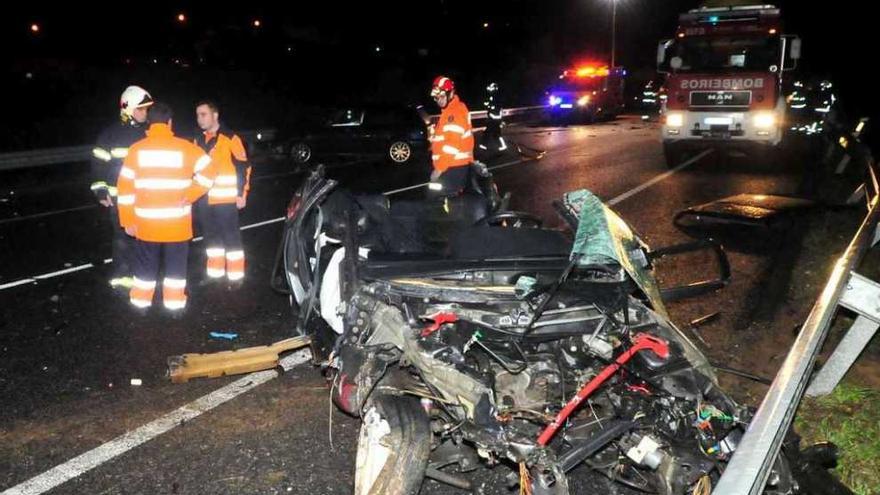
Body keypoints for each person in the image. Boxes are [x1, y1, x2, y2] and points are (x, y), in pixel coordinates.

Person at [115, 102, 216, 315]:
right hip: (176, 225)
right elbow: (210, 172)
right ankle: (175, 307)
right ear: (170, 122)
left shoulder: (136, 150)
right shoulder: (186, 148)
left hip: (146, 224)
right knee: (176, 267)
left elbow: (124, 189)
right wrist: (189, 195)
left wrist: (127, 221)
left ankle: (141, 306)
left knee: (145, 266)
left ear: (149, 123)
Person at [90, 85, 153, 290]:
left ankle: (143, 275)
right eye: (141, 109)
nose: (145, 113)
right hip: (119, 199)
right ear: (128, 108)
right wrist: (100, 190)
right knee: (122, 239)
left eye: (146, 109)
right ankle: (122, 278)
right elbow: (98, 164)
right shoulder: (110, 134)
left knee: (146, 239)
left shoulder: (150, 132)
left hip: (146, 197)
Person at [193, 100, 251, 284]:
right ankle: (215, 275)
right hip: (204, 199)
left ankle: (235, 277)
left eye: (203, 114)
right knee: (211, 239)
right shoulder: (198, 140)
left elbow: (244, 167)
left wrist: (242, 193)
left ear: (215, 115)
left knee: (231, 238)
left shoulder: (230, 138)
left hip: (226, 199)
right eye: (197, 115)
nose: (199, 119)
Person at [428, 76, 475, 195]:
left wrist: (438, 170)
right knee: (441, 201)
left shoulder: (454, 113)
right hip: (451, 167)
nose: (439, 101)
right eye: (436, 98)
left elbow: (451, 146)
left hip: (453, 167)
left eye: (441, 97)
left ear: (451, 93)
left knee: (438, 201)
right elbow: (449, 137)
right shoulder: (449, 111)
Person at [479, 82, 507, 153]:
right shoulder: (493, 97)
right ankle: (483, 145)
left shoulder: (496, 98)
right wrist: (487, 105)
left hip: (495, 120)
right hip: (492, 119)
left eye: (491, 88)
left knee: (495, 134)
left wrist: (499, 120)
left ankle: (502, 146)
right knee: (489, 133)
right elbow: (490, 106)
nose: (490, 89)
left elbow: (496, 109)